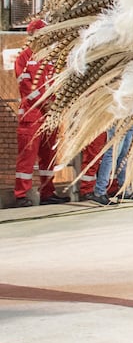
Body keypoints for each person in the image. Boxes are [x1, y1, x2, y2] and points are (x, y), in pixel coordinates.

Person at [13, 19, 69, 206]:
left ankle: (47, 192)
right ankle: (21, 195)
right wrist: (46, 103)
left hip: (49, 115)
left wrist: (56, 104)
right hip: (32, 115)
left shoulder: (49, 58)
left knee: (48, 156)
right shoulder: (23, 58)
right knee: (27, 157)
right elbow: (27, 87)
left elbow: (55, 84)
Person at [85, 125, 133, 205]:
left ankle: (124, 190)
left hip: (129, 120)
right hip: (118, 121)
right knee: (112, 154)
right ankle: (100, 191)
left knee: (125, 155)